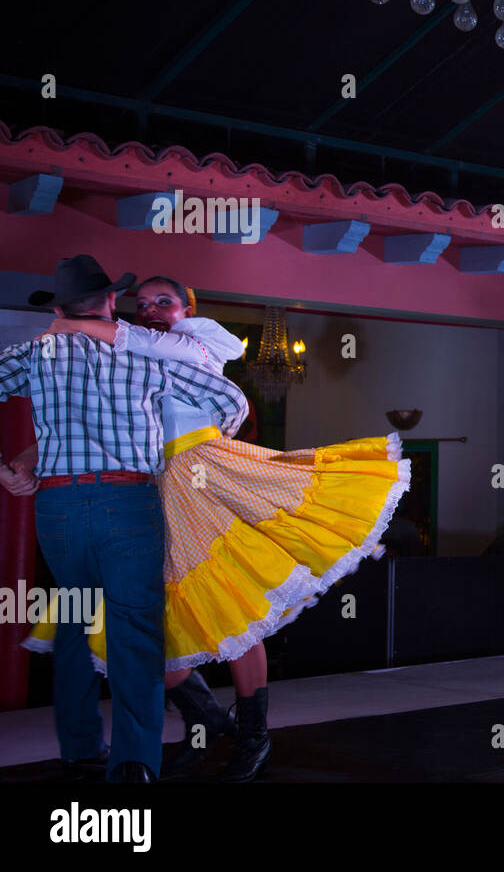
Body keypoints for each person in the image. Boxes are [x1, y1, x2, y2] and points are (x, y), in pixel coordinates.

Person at [18, 274, 411, 781]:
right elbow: (87, 420)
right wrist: (29, 460)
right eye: (144, 302)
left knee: (236, 606)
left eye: (166, 301)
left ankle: (253, 736)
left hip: (206, 476)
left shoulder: (198, 339)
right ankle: (205, 718)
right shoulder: (126, 356)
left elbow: (151, 346)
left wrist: (69, 322)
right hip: (147, 489)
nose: (153, 309)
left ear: (189, 310)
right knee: (153, 626)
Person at [0, 255, 249, 783]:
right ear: (111, 302)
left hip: (58, 506)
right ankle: (135, 763)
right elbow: (230, 399)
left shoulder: (36, 354)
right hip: (129, 502)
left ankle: (77, 746)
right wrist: (201, 450)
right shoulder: (142, 355)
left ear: (63, 307)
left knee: (73, 619)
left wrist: (7, 468)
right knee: (134, 630)